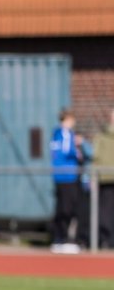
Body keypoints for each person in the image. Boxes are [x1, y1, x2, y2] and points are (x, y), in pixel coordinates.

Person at [50, 109, 84, 253]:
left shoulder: (56, 134)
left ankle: (59, 238)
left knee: (61, 207)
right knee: (67, 208)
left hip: (60, 176)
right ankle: (63, 239)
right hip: (67, 176)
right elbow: (67, 152)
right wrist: (77, 151)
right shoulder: (65, 134)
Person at [92, 108, 114, 249]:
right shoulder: (101, 136)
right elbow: (96, 158)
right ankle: (106, 239)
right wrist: (93, 177)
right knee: (105, 212)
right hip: (106, 178)